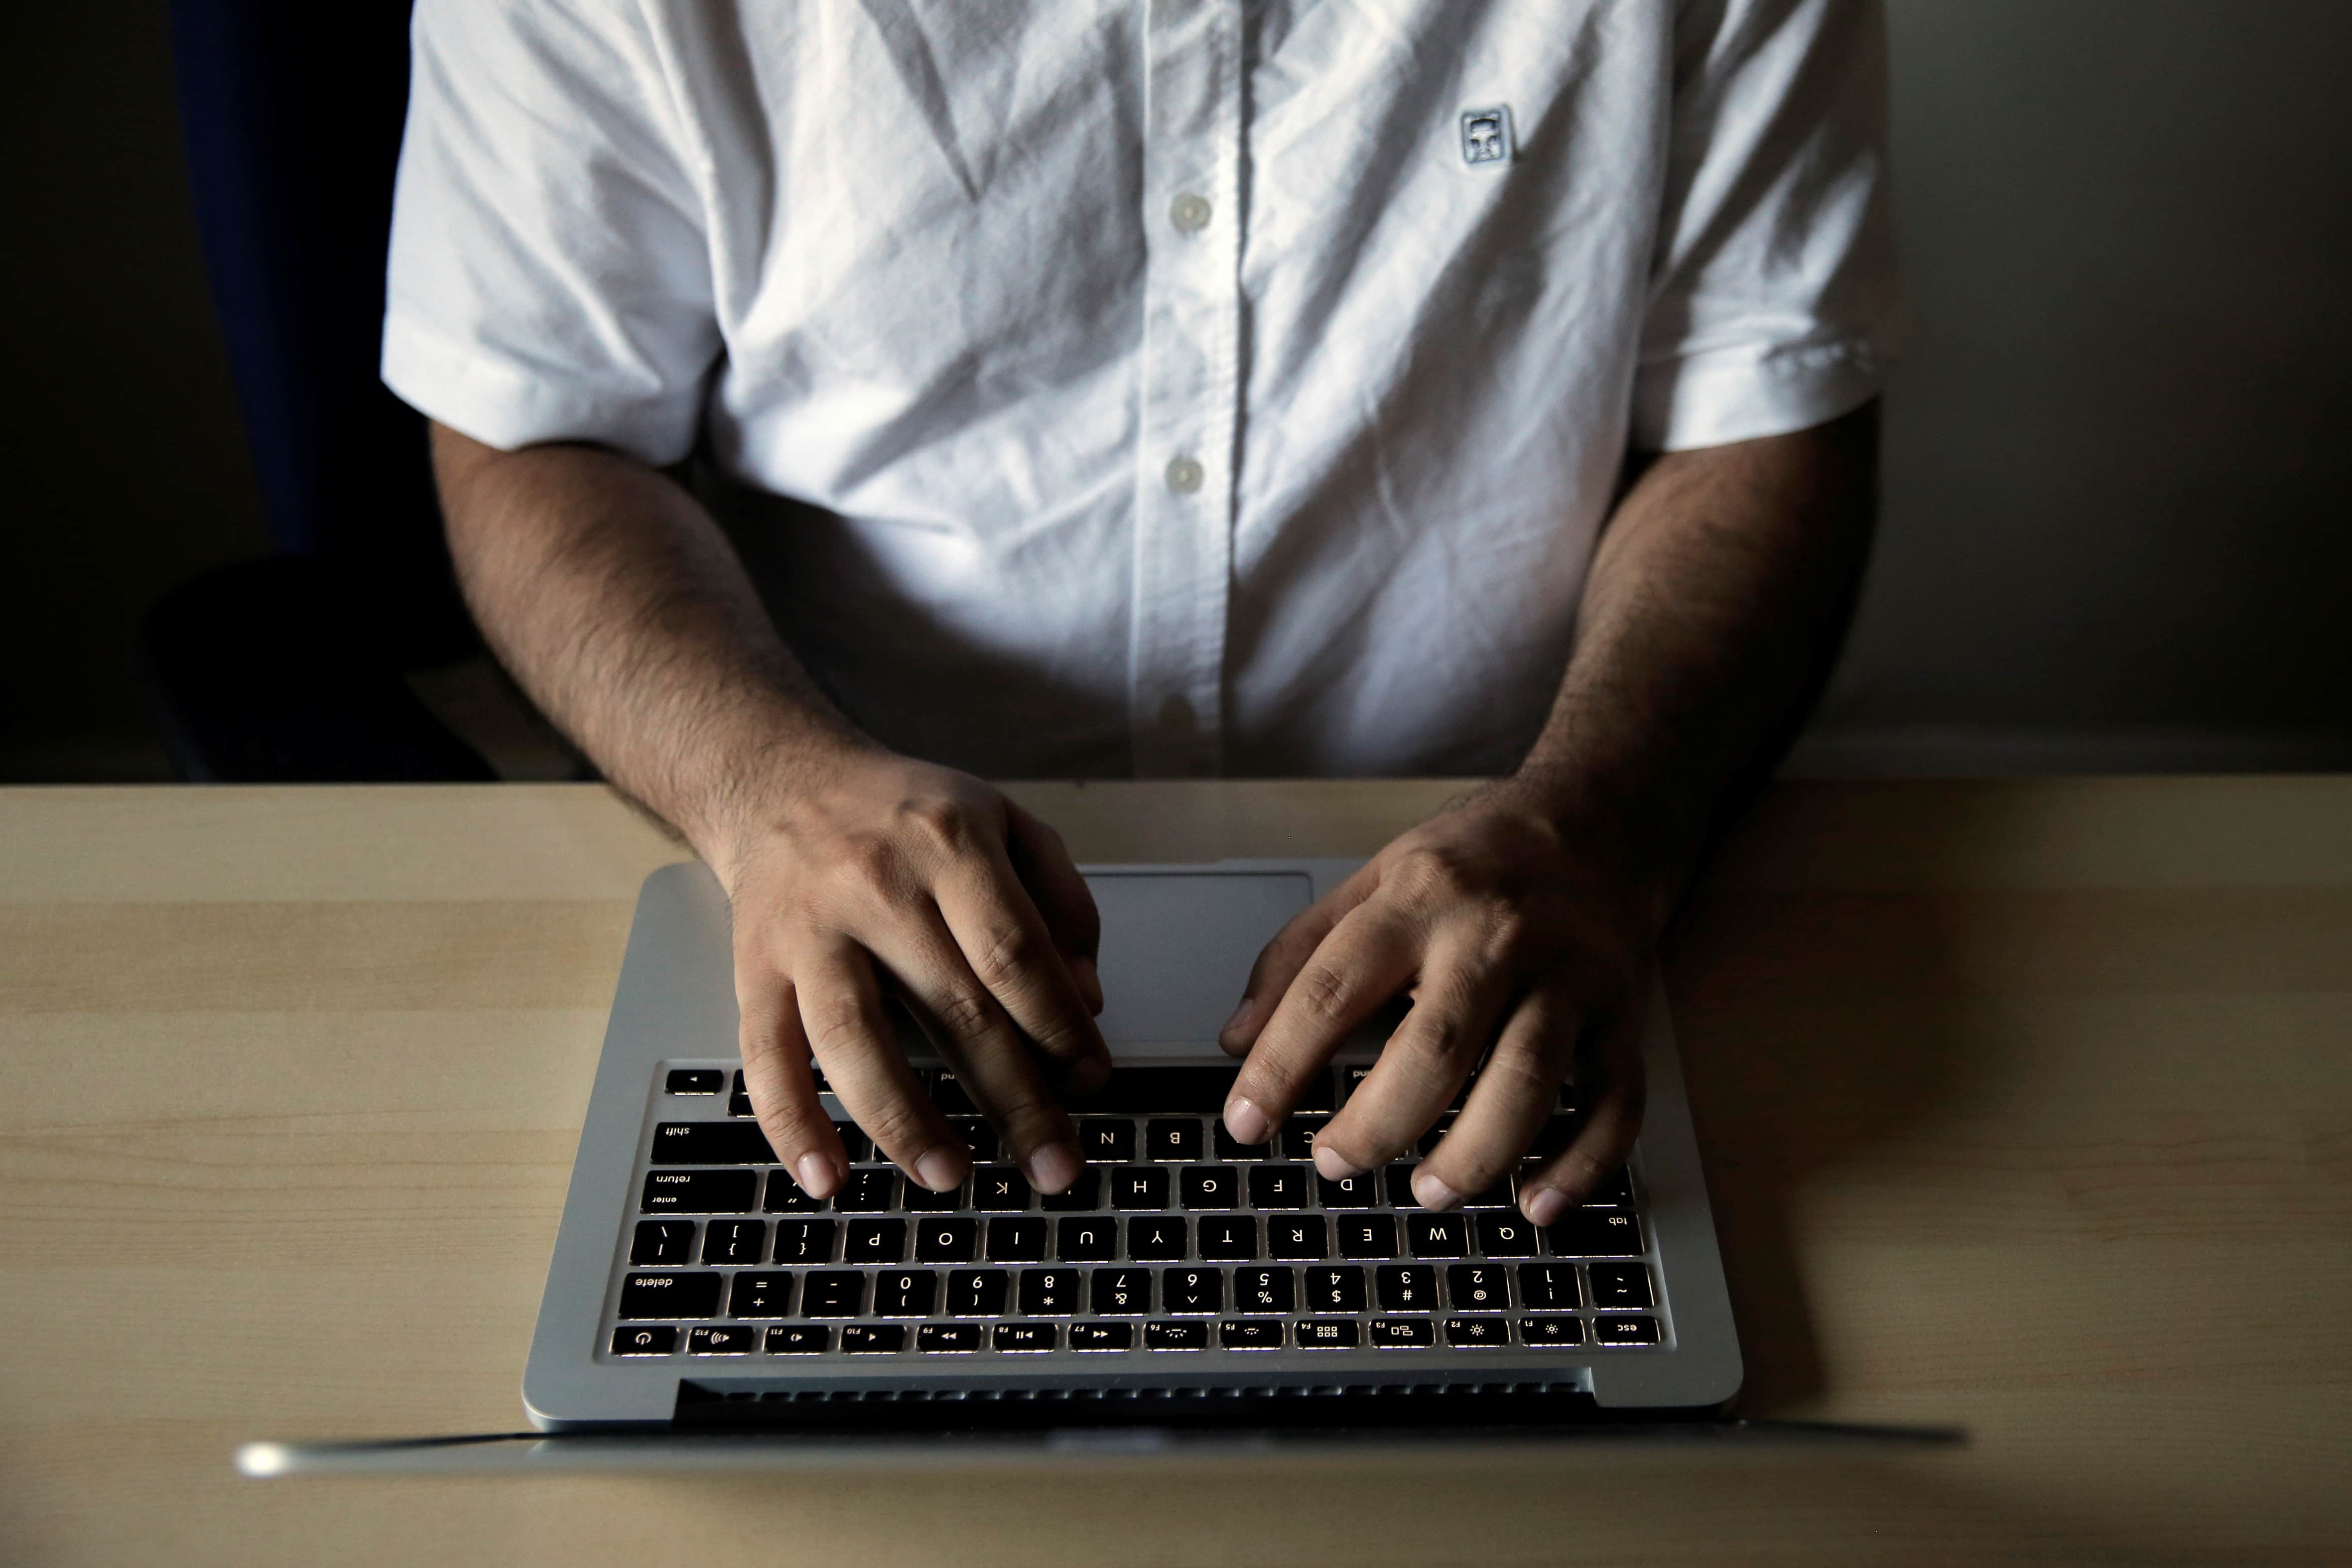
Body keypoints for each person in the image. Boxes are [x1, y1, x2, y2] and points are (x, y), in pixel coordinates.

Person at [384, 0, 1901, 1225]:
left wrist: (1598, 830)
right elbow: (539, 427)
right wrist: (760, 784)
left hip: (1512, 856)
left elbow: (1758, 417)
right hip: (803, 863)